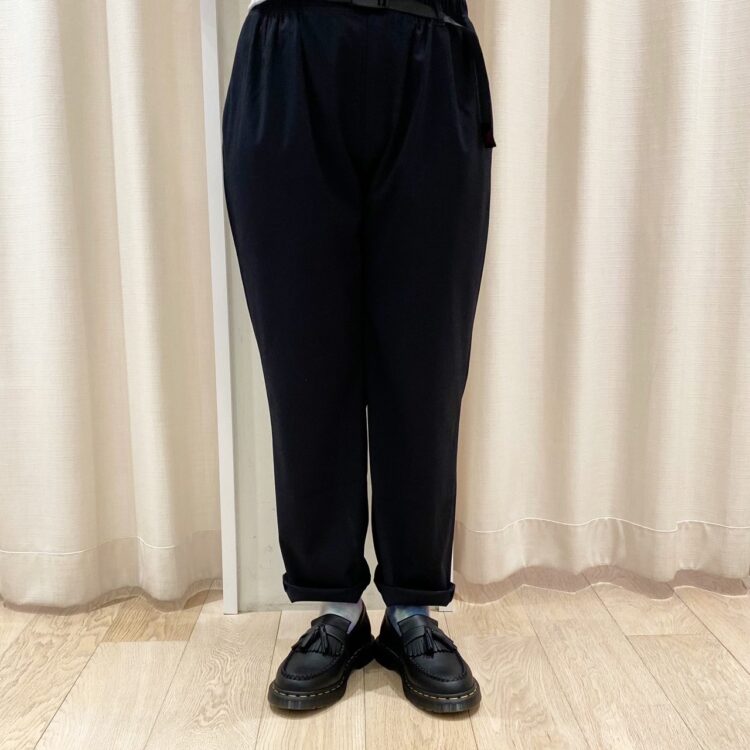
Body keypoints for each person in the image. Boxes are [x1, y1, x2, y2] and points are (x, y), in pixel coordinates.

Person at [222, 0, 494, 713]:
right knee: (303, 357)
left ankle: (412, 610)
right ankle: (336, 609)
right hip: (292, 50)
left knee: (427, 360)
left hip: (431, 48)